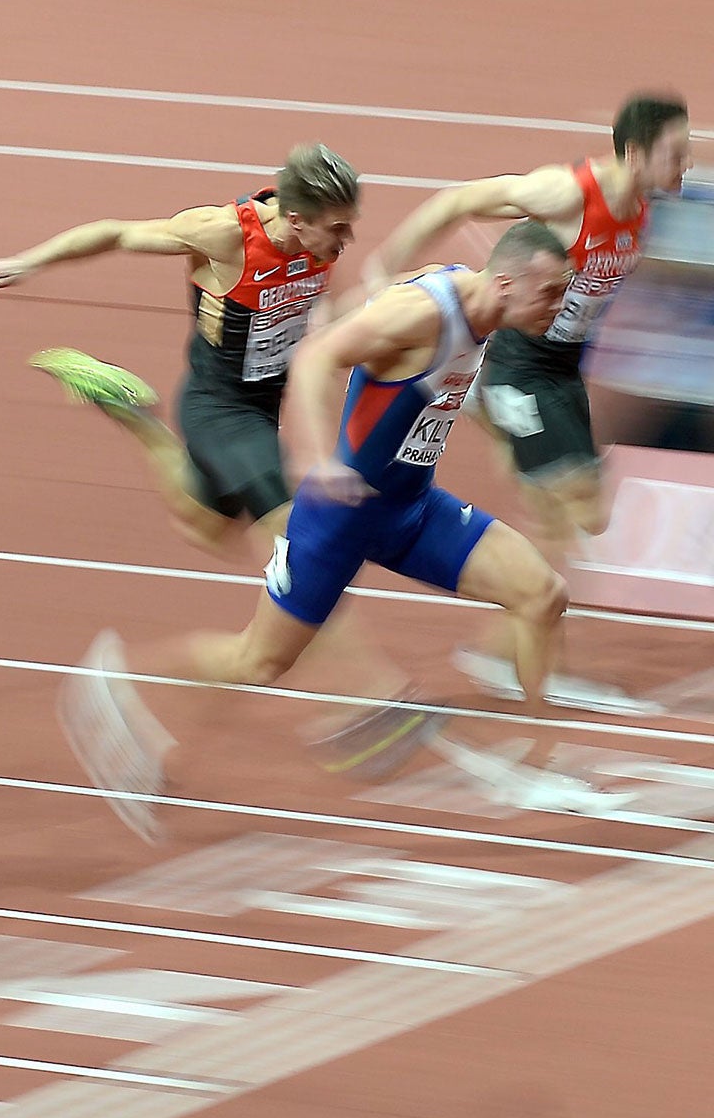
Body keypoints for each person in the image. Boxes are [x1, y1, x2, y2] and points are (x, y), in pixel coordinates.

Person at [62, 221, 595, 840]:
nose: (560, 309)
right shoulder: (424, 314)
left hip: (409, 510)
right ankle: (121, 682)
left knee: (543, 595)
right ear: (506, 283)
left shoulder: (473, 304)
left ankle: (539, 758)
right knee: (256, 662)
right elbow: (318, 357)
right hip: (337, 518)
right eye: (552, 294)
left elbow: (370, 314)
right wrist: (318, 456)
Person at [360, 92, 693, 710]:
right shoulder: (565, 194)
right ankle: (515, 654)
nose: (686, 168)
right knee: (561, 507)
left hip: (562, 369)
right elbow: (460, 200)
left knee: (584, 513)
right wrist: (384, 265)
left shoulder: (642, 209)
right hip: (519, 364)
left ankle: (507, 647)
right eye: (677, 154)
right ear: (638, 151)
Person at [0, 143, 362, 561]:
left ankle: (125, 409)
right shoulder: (225, 233)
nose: (347, 239)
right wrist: (27, 261)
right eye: (339, 228)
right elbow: (117, 233)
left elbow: (328, 306)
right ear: (297, 219)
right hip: (219, 405)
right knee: (297, 535)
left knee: (210, 530)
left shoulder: (316, 245)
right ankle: (298, 625)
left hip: (266, 401)